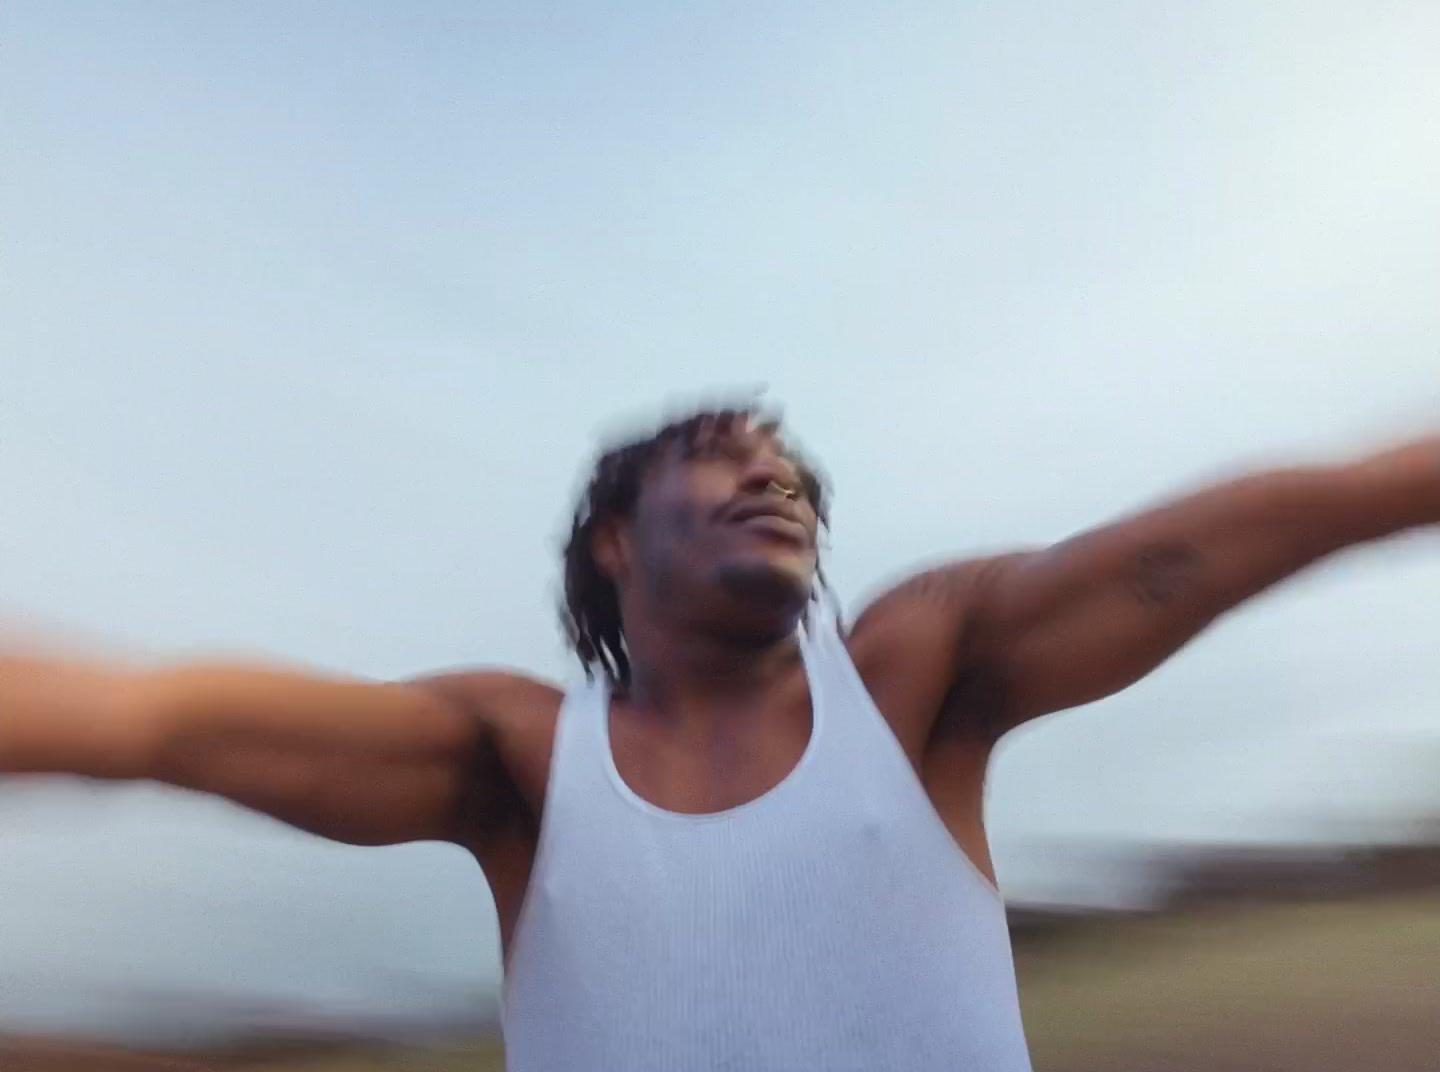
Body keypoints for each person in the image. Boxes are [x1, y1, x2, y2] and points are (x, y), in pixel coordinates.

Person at [2, 403, 1436, 1071]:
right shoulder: (514, 759)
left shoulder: (920, 674)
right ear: (616, 540)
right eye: (728, 455)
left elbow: (1291, 516)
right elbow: (153, 723)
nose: (780, 478)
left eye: (799, 472)